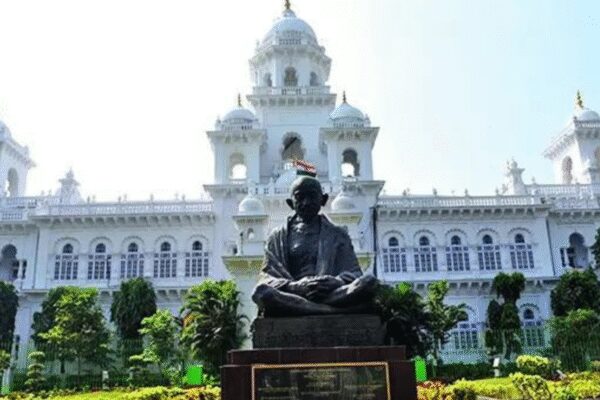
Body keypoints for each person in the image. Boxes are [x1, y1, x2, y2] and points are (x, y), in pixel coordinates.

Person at [252, 174, 378, 316]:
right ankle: (330, 311)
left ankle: (308, 309)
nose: (306, 202)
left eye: (312, 196)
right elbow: (266, 278)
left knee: (369, 282)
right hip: (294, 294)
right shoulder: (277, 237)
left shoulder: (338, 235)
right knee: (262, 292)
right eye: (300, 197)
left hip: (331, 293)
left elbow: (355, 273)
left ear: (323, 200)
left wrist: (336, 282)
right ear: (290, 203)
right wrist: (295, 287)